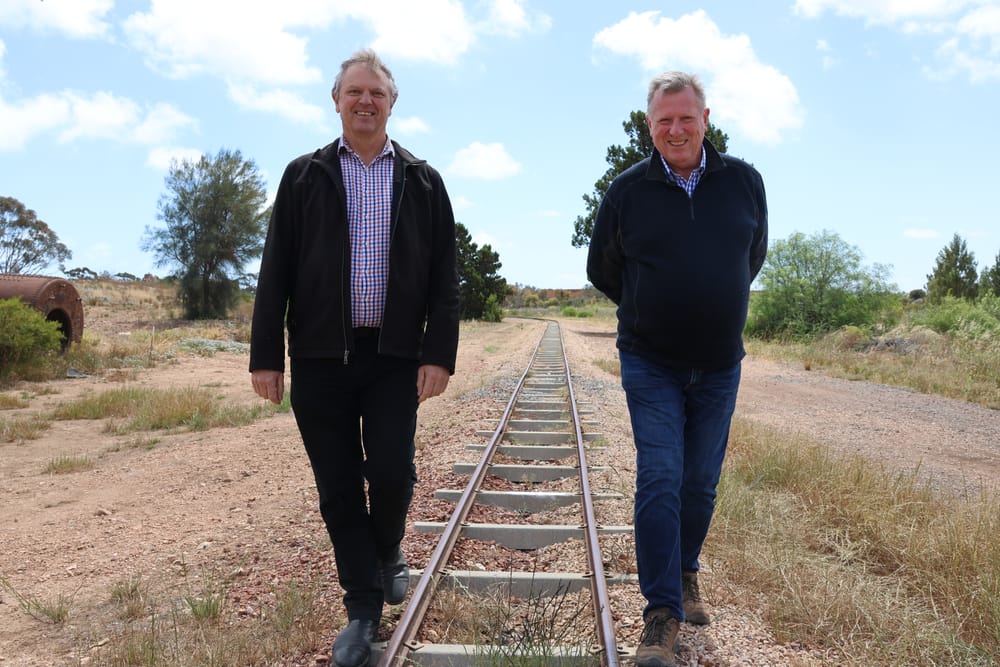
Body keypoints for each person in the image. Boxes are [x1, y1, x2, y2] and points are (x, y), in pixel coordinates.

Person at [249, 48, 459, 667]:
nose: (365, 101)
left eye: (377, 93)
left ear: (392, 104)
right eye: (354, 92)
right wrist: (268, 356)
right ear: (336, 101)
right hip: (319, 358)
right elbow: (275, 270)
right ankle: (363, 609)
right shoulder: (304, 176)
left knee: (392, 473)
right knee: (338, 487)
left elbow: (445, 277)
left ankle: (389, 550)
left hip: (395, 357)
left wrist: (438, 353)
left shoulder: (423, 180)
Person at [586, 71, 767, 667]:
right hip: (651, 362)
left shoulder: (744, 182)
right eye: (664, 120)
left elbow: (752, 255)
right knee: (660, 477)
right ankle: (661, 613)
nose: (676, 128)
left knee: (700, 484)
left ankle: (686, 570)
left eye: (686, 117)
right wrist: (650, 309)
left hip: (719, 365)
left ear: (706, 119)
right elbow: (603, 268)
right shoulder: (627, 191)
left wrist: (713, 303)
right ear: (649, 126)